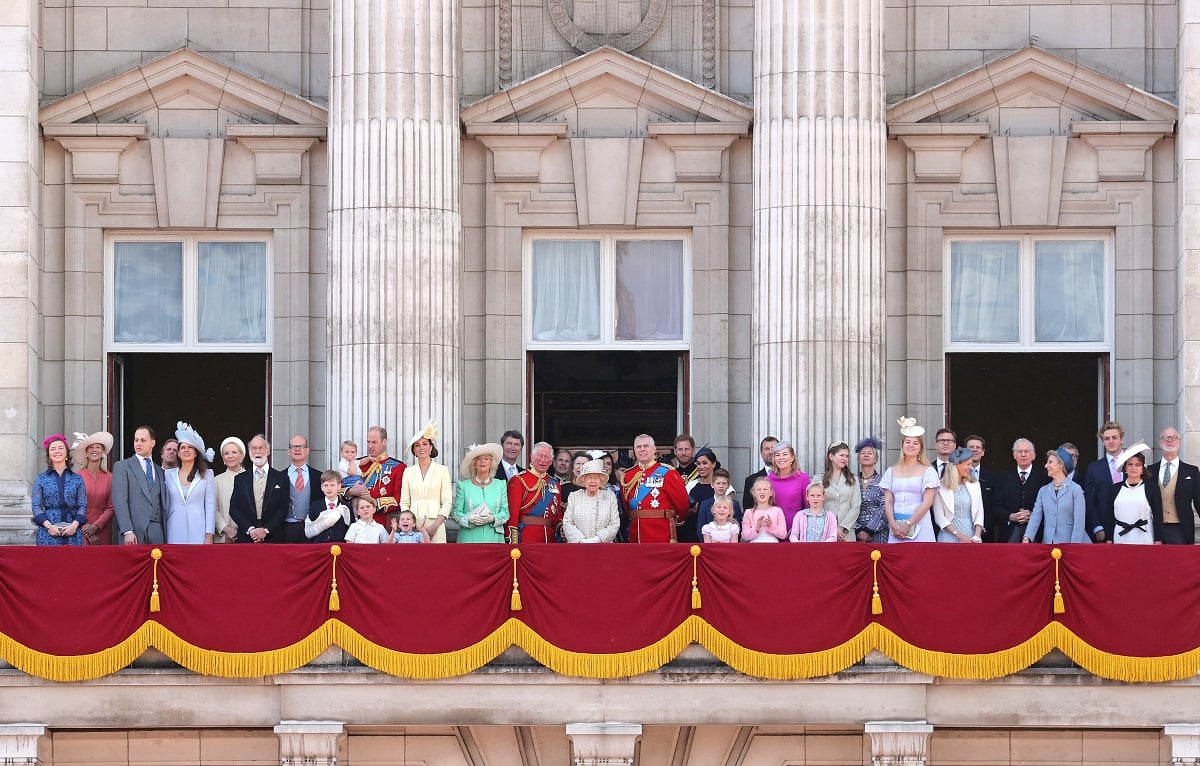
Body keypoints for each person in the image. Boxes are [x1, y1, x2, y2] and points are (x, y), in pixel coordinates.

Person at [621, 434, 690, 543]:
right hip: (635, 534)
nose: (642, 449)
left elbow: (682, 503)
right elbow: (626, 506)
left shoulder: (668, 472)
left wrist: (677, 521)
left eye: (646, 446)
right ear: (634, 450)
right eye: (639, 447)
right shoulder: (628, 475)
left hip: (661, 533)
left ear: (654, 449)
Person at [881, 417, 939, 543]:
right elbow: (888, 500)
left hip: (920, 526)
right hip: (896, 528)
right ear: (902, 445)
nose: (911, 445)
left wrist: (909, 523)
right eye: (908, 442)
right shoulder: (891, 471)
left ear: (920, 448)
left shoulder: (928, 471)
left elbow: (927, 502)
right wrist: (892, 523)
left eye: (915, 443)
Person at [111, 425, 168, 545]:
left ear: (153, 443)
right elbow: (119, 501)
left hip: (158, 532)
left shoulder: (160, 471)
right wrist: (127, 531)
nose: (138, 443)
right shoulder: (123, 467)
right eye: (136, 440)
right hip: (133, 532)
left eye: (143, 440)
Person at [399, 421, 453, 542]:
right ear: (414, 450)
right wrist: (408, 523)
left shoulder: (442, 470)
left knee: (437, 558)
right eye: (417, 445)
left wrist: (435, 526)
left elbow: (447, 502)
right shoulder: (408, 472)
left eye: (425, 444)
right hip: (413, 525)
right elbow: (404, 502)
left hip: (436, 523)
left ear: (431, 447)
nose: (421, 447)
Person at [229, 434, 289, 543]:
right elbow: (234, 508)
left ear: (268, 451)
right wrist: (251, 529)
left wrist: (265, 530)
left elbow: (283, 508)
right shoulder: (240, 479)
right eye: (254, 448)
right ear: (249, 452)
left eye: (261, 448)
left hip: (274, 538)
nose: (257, 451)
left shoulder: (281, 478)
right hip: (247, 538)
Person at [163, 422, 216, 544]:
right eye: (182, 447)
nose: (186, 450)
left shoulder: (207, 475)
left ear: (196, 452)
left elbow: (210, 507)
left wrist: (209, 535)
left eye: (190, 447)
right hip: (173, 529)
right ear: (178, 453)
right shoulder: (167, 474)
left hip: (199, 530)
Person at [1024, 449, 1089, 544]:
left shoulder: (1075, 489)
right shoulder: (1043, 491)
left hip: (1071, 544)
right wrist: (1027, 537)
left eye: (1050, 462)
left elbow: (1079, 523)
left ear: (1061, 464)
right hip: (1049, 545)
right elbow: (1035, 516)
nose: (1046, 466)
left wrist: (1074, 547)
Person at [1101, 443, 1162, 545]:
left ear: (1143, 468)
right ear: (1125, 468)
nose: (1134, 468)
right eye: (1130, 464)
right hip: (1120, 538)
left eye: (1138, 465)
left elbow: (1158, 517)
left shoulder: (1152, 489)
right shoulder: (1115, 489)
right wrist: (1109, 539)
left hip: (1145, 538)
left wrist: (1158, 540)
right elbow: (1109, 517)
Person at [1148, 426, 1200, 545]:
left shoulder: (1191, 471)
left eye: (1173, 437)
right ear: (1160, 442)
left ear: (1179, 442)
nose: (1169, 440)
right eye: (1165, 437)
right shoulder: (1150, 471)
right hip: (1155, 528)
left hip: (1182, 528)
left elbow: (1198, 500)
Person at [32, 434, 86, 546]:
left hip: (72, 530)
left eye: (60, 448)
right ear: (49, 455)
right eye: (53, 449)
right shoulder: (41, 479)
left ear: (66, 452)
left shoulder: (77, 478)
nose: (57, 451)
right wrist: (49, 526)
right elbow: (36, 506)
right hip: (48, 530)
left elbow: (82, 505)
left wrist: (74, 526)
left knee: (72, 562)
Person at [346, 426, 406, 526]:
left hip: (381, 522)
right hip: (355, 522)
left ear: (384, 442)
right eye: (368, 442)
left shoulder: (398, 467)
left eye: (374, 442)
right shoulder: (357, 464)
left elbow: (399, 499)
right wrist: (351, 492)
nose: (370, 446)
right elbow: (339, 489)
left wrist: (373, 503)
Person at [994, 438, 1050, 543]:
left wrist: (1033, 515)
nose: (1023, 454)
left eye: (1027, 451)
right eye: (1019, 451)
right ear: (1014, 455)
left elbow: (1050, 506)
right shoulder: (1003, 477)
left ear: (1034, 455)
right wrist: (1010, 516)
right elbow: (995, 506)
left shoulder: (1044, 477)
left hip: (1037, 533)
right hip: (1009, 532)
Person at [451, 442, 509, 543]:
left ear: (491, 463)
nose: (483, 462)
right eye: (479, 459)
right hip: (469, 539)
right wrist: (469, 519)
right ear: (474, 463)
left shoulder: (500, 485)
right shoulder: (463, 486)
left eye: (486, 459)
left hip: (494, 539)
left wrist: (493, 518)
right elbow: (456, 513)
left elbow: (505, 513)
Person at [506, 441, 562, 543]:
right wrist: (512, 539)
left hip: (550, 538)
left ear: (551, 461)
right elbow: (512, 513)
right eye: (540, 456)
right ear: (531, 456)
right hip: (527, 536)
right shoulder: (519, 480)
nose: (543, 460)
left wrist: (560, 528)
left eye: (547, 457)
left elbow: (558, 514)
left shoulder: (555, 483)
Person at [1083, 421, 1126, 543]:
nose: (1111, 441)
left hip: (1130, 527)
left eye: (1114, 438)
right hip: (1103, 529)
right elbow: (1090, 501)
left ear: (1121, 439)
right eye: (1106, 439)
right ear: (1102, 442)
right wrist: (1097, 527)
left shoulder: (1133, 465)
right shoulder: (1094, 468)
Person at [562, 458, 620, 543]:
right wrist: (581, 541)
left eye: (596, 478)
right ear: (583, 480)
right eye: (589, 478)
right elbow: (567, 523)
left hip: (603, 548)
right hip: (578, 548)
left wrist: (598, 539)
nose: (593, 481)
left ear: (600, 481)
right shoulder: (574, 497)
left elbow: (614, 524)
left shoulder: (610, 497)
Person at [933, 447, 984, 543]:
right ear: (957, 465)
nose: (971, 467)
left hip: (971, 537)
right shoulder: (940, 487)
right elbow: (939, 517)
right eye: (968, 464)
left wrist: (977, 536)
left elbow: (979, 512)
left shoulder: (975, 484)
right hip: (949, 537)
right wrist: (959, 535)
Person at [71, 430, 114, 545]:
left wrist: (96, 526)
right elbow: (72, 505)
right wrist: (86, 529)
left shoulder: (110, 477)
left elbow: (111, 507)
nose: (94, 450)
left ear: (103, 452)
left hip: (102, 528)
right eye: (90, 447)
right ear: (86, 452)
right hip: (80, 527)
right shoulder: (77, 476)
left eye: (98, 447)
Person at [767, 441, 811, 532]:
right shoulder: (767, 480)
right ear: (774, 459)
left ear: (792, 457)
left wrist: (798, 527)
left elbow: (809, 507)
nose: (781, 458)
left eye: (785, 454)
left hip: (796, 529)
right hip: (772, 529)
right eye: (777, 455)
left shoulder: (803, 478)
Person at [821, 441, 861, 541]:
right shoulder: (819, 479)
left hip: (846, 533)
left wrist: (842, 527)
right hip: (825, 531)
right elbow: (816, 505)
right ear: (831, 456)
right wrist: (832, 526)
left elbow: (856, 506)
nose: (845, 459)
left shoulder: (853, 480)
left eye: (847, 456)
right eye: (841, 455)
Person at [854, 437, 887, 544]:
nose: (866, 455)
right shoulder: (852, 481)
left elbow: (885, 507)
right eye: (863, 453)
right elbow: (847, 506)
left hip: (878, 532)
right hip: (855, 532)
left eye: (870, 453)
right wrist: (859, 529)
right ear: (858, 458)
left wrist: (869, 530)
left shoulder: (883, 481)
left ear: (876, 459)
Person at [683, 446, 720, 543]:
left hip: (716, 535)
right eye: (698, 464)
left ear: (713, 464)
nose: (701, 467)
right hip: (692, 533)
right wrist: (690, 511)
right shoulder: (690, 485)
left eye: (705, 463)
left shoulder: (721, 485)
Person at [212, 436, 245, 544]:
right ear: (223, 459)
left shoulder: (252, 478)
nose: (230, 456)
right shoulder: (215, 481)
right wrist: (226, 529)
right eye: (226, 453)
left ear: (241, 456)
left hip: (248, 537)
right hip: (223, 538)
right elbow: (212, 509)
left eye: (234, 452)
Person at [964, 434, 1001, 530]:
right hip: (961, 528)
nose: (975, 450)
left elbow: (995, 506)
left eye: (978, 447)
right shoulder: (956, 474)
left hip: (986, 529)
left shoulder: (993, 477)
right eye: (971, 447)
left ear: (983, 452)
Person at [306, 470, 351, 544]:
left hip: (341, 546)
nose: (329, 488)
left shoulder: (346, 507)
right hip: (319, 546)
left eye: (332, 485)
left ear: (339, 486)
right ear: (322, 487)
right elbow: (311, 527)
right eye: (326, 485)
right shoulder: (315, 506)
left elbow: (350, 528)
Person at [693, 468, 741, 536]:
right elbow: (700, 528)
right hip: (709, 544)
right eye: (718, 483)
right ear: (712, 484)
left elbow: (738, 528)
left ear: (728, 485)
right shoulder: (705, 504)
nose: (721, 486)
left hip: (729, 544)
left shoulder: (734, 504)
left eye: (724, 483)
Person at [741, 476, 787, 542]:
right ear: (753, 493)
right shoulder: (748, 512)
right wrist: (757, 527)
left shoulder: (777, 511)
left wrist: (771, 526)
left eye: (765, 489)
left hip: (773, 546)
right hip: (754, 548)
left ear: (771, 492)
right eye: (759, 489)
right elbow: (745, 536)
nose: (762, 492)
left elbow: (783, 534)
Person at [741, 436, 778, 512]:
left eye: (773, 448)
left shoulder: (791, 477)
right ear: (761, 454)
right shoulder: (750, 480)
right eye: (767, 449)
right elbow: (748, 510)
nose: (770, 452)